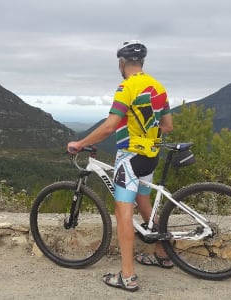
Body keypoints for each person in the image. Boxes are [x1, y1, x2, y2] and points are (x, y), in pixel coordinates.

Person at [67, 40, 173, 292]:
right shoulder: (157, 86)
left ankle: (128, 276)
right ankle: (163, 254)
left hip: (130, 157)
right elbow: (167, 126)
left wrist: (81, 143)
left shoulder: (126, 87)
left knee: (123, 211)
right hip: (151, 153)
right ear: (142, 63)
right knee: (144, 202)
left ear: (122, 63)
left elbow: (109, 126)